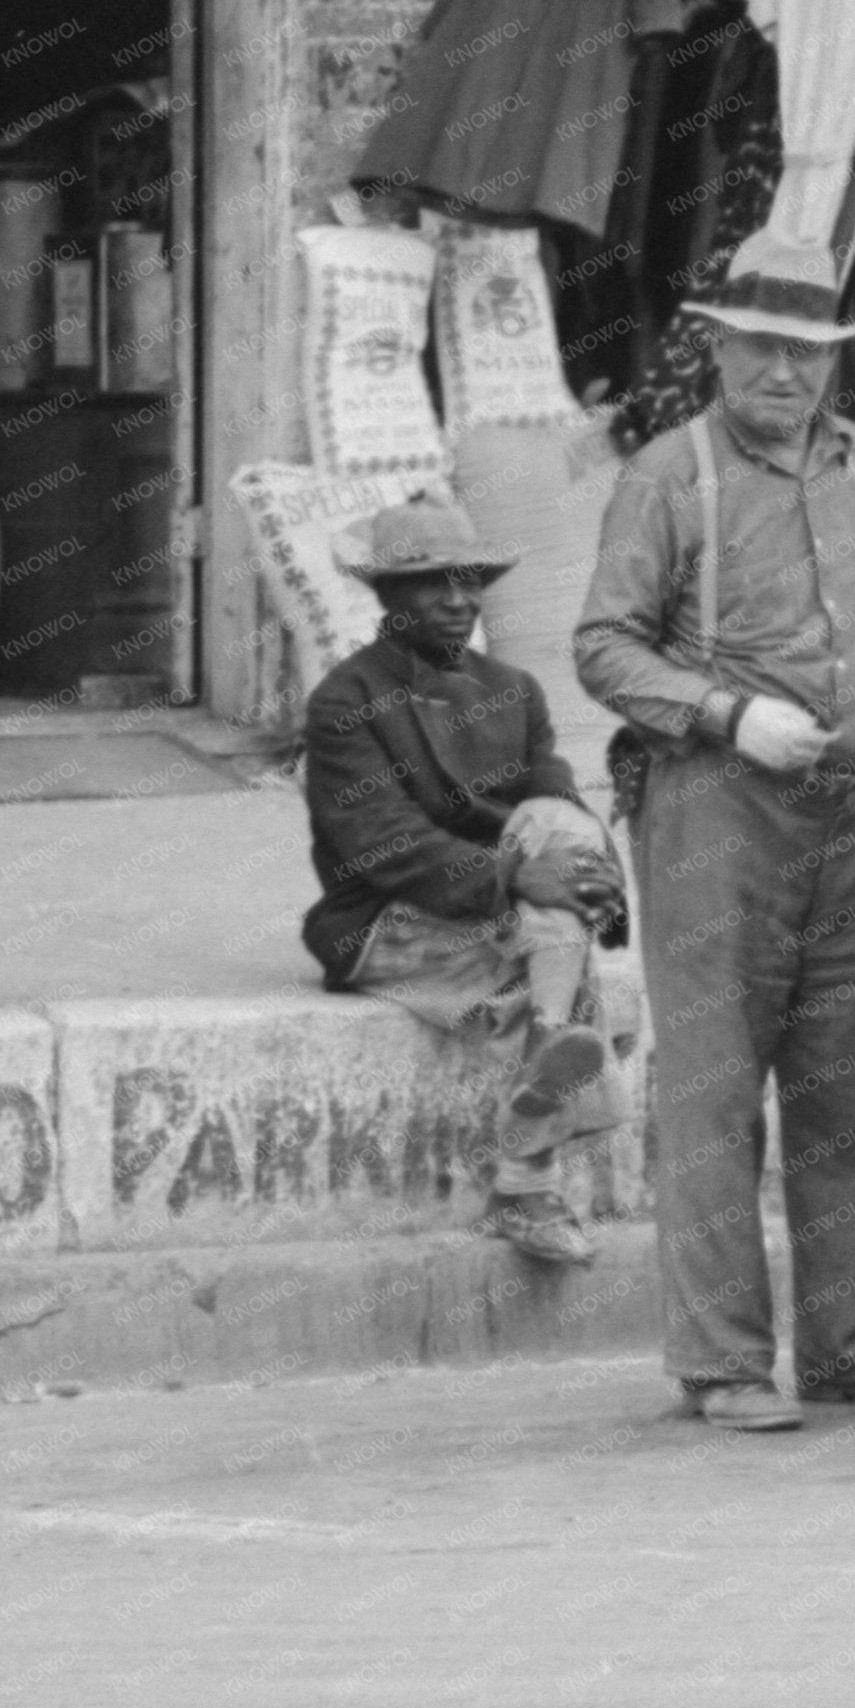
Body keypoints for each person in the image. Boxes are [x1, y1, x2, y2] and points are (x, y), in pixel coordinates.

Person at [574, 230, 855, 1434]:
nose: (783, 372)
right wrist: (729, 715)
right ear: (719, 348)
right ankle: (721, 1362)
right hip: (715, 808)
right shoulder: (666, 476)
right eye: (761, 348)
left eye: (807, 351)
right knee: (713, 1088)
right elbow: (603, 647)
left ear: (834, 357)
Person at [302, 501, 631, 1269]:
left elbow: (555, 795)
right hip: (393, 914)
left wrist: (593, 877)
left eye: (471, 581)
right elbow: (382, 841)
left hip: (505, 910)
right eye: (434, 583)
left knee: (560, 845)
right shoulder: (346, 700)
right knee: (558, 964)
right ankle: (529, 1170)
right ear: (387, 595)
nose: (459, 599)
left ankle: (540, 1088)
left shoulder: (513, 689)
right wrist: (515, 876)